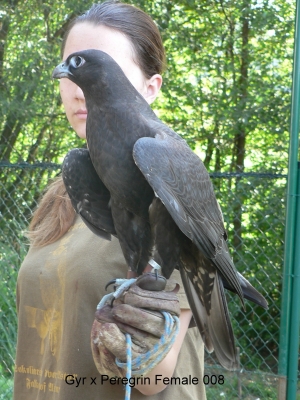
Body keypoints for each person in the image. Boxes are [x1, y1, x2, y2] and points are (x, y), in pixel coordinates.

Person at [13, 1, 207, 399]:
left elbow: (154, 380)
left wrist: (135, 344)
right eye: (71, 66)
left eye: (105, 65)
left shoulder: (168, 173)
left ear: (150, 87)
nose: (78, 88)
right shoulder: (69, 184)